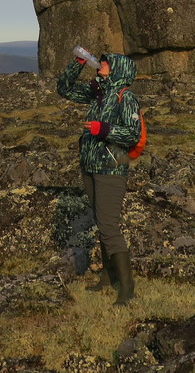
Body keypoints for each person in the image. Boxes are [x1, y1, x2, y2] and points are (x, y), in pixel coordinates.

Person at [56, 50, 141, 304]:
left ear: (118, 70)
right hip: (90, 167)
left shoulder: (126, 98)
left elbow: (132, 134)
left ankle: (127, 289)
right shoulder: (99, 94)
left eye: (106, 62)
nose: (101, 64)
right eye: (101, 61)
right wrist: (78, 63)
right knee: (102, 223)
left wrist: (102, 129)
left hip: (111, 170)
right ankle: (108, 276)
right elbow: (64, 89)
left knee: (109, 227)